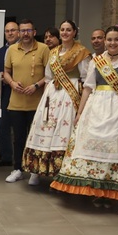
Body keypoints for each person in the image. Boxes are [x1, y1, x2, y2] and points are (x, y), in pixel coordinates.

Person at [50, 26, 118, 208]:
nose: (112, 43)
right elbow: (87, 88)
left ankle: (110, 192)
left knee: (114, 147)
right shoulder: (96, 60)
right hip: (96, 105)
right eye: (109, 40)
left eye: (116, 39)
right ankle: (92, 188)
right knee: (90, 143)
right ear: (105, 41)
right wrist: (80, 112)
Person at [22, 20, 91, 185]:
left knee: (63, 130)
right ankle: (37, 170)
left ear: (74, 32)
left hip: (70, 95)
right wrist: (45, 99)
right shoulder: (53, 53)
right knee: (44, 127)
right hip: (52, 94)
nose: (65, 32)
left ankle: (63, 172)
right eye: (63, 30)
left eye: (69, 30)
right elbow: (48, 77)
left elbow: (86, 78)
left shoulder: (81, 52)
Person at [2, 19, 50, 182]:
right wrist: (12, 83)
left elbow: (49, 74)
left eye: (28, 30)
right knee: (18, 138)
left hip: (37, 103)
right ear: (18, 33)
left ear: (34, 32)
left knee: (36, 137)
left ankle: (35, 171)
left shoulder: (43, 49)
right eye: (22, 31)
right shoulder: (12, 50)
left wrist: (36, 85)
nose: (25, 34)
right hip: (16, 102)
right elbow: (6, 72)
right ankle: (18, 169)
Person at [0, 21, 20, 167]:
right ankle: (6, 157)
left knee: (20, 128)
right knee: (3, 126)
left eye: (13, 30)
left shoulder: (23, 48)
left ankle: (20, 160)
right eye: (7, 31)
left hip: (21, 92)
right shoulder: (1, 51)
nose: (10, 33)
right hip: (5, 92)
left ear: (19, 32)